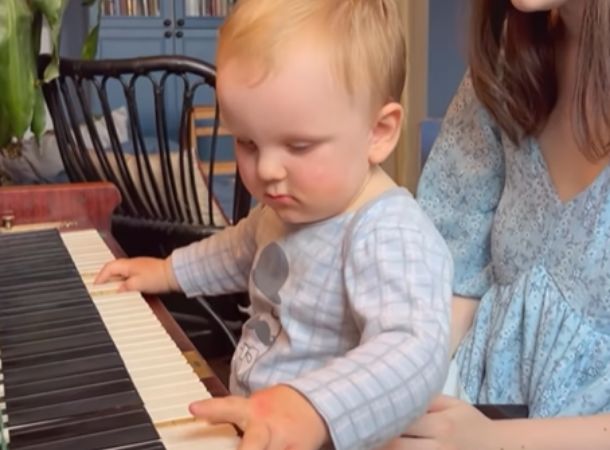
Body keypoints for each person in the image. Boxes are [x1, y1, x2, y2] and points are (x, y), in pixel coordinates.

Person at [95, 1, 453, 449]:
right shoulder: (288, 208)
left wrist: (314, 407)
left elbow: (413, 350)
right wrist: (168, 272)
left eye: (298, 145)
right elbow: (240, 248)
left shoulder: (387, 232)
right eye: (246, 141)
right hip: (255, 416)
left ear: (378, 132)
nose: (266, 169)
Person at [384, 0, 610, 449]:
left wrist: (494, 440)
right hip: (469, 407)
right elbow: (455, 277)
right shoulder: (509, 62)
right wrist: (393, 389)